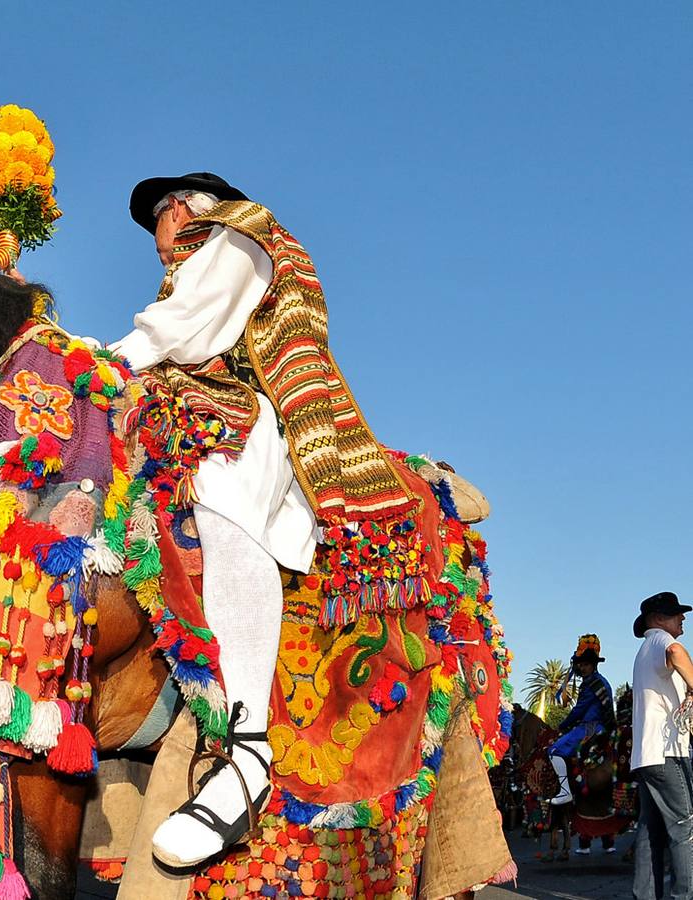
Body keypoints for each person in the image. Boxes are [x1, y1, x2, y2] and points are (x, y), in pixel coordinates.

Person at [113, 173, 423, 868]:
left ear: (181, 211)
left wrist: (99, 363)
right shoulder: (199, 256)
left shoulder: (235, 236)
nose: (161, 252)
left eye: (160, 234)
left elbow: (187, 330)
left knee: (222, 502)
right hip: (191, 404)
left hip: (249, 420)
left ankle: (249, 753)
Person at [631, 591, 693, 900]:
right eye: (676, 613)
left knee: (650, 831)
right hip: (666, 753)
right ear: (657, 619)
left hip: (645, 755)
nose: (683, 617)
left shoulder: (645, 649)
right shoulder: (660, 640)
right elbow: (678, 654)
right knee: (684, 827)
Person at [547, 634, 615, 805]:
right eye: (581, 665)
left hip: (589, 728)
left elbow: (578, 711)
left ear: (593, 665)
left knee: (554, 751)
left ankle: (565, 792)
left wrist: (561, 726)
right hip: (601, 728)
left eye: (586, 665)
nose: (583, 668)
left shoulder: (591, 684)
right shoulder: (601, 682)